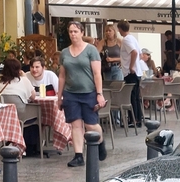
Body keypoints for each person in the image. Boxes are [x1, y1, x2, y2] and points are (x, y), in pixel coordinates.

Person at [58, 21, 106, 167]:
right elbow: (62, 76)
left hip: (89, 92)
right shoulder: (65, 52)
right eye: (71, 31)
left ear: (82, 33)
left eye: (76, 31)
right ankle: (78, 155)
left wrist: (99, 93)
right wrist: (59, 96)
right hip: (71, 94)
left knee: (91, 125)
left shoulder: (91, 50)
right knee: (76, 125)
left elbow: (97, 73)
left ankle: (101, 140)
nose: (73, 34)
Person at [117, 20, 143, 127]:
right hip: (137, 71)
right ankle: (138, 118)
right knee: (136, 96)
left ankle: (133, 120)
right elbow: (140, 54)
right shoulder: (133, 38)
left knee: (131, 97)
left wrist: (130, 66)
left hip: (130, 72)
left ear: (120, 29)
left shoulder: (126, 40)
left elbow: (135, 52)